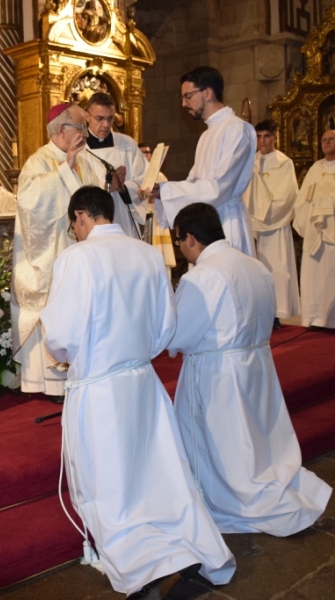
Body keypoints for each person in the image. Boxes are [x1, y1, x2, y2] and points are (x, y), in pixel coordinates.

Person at [40, 187, 236, 600]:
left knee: (111, 481)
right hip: (143, 383)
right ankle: (187, 545)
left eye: (73, 225)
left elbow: (58, 334)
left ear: (80, 216)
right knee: (157, 469)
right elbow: (166, 326)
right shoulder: (148, 254)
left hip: (99, 389)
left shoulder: (76, 258)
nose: (74, 233)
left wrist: (67, 357)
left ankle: (142, 560)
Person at [167, 203, 332, 536]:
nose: (181, 249)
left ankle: (237, 498)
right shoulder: (255, 266)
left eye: (179, 241)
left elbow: (179, 334)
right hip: (257, 364)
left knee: (229, 449)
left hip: (219, 375)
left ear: (190, 239)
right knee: (256, 439)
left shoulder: (202, 276)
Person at [11, 102, 99, 397]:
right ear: (61, 130)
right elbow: (29, 203)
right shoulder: (39, 161)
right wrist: (65, 169)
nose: (85, 132)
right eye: (80, 126)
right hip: (52, 253)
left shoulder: (85, 160)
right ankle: (50, 383)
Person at [147, 66, 256, 256]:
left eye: (188, 96)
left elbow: (219, 188)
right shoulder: (207, 135)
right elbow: (194, 182)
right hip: (204, 226)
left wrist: (168, 191)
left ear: (207, 93)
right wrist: (161, 192)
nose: (184, 103)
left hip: (226, 224)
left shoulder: (236, 129)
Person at [243, 119, 299, 328]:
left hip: (274, 225)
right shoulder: (251, 162)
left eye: (267, 136)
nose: (262, 140)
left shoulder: (284, 163)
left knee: (276, 268)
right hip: (253, 224)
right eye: (258, 136)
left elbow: (288, 195)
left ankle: (275, 313)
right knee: (256, 269)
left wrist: (265, 211)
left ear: (275, 137)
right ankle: (258, 309)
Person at [83, 92, 147, 239]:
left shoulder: (127, 144)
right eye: (99, 118)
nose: (106, 124)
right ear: (87, 117)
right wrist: (106, 188)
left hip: (123, 219)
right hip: (93, 224)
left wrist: (123, 187)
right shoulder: (79, 148)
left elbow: (145, 179)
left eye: (110, 118)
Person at [293, 129, 335, 330]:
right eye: (324, 139)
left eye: (332, 139)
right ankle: (316, 318)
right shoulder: (315, 169)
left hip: (333, 232)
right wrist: (313, 213)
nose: (327, 142)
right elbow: (302, 200)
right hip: (316, 232)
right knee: (316, 277)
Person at [138, 141, 176, 279]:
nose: (146, 156)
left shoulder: (159, 176)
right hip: (143, 220)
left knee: (161, 260)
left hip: (157, 220)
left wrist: (159, 197)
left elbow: (169, 198)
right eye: (143, 153)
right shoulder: (136, 176)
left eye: (148, 153)